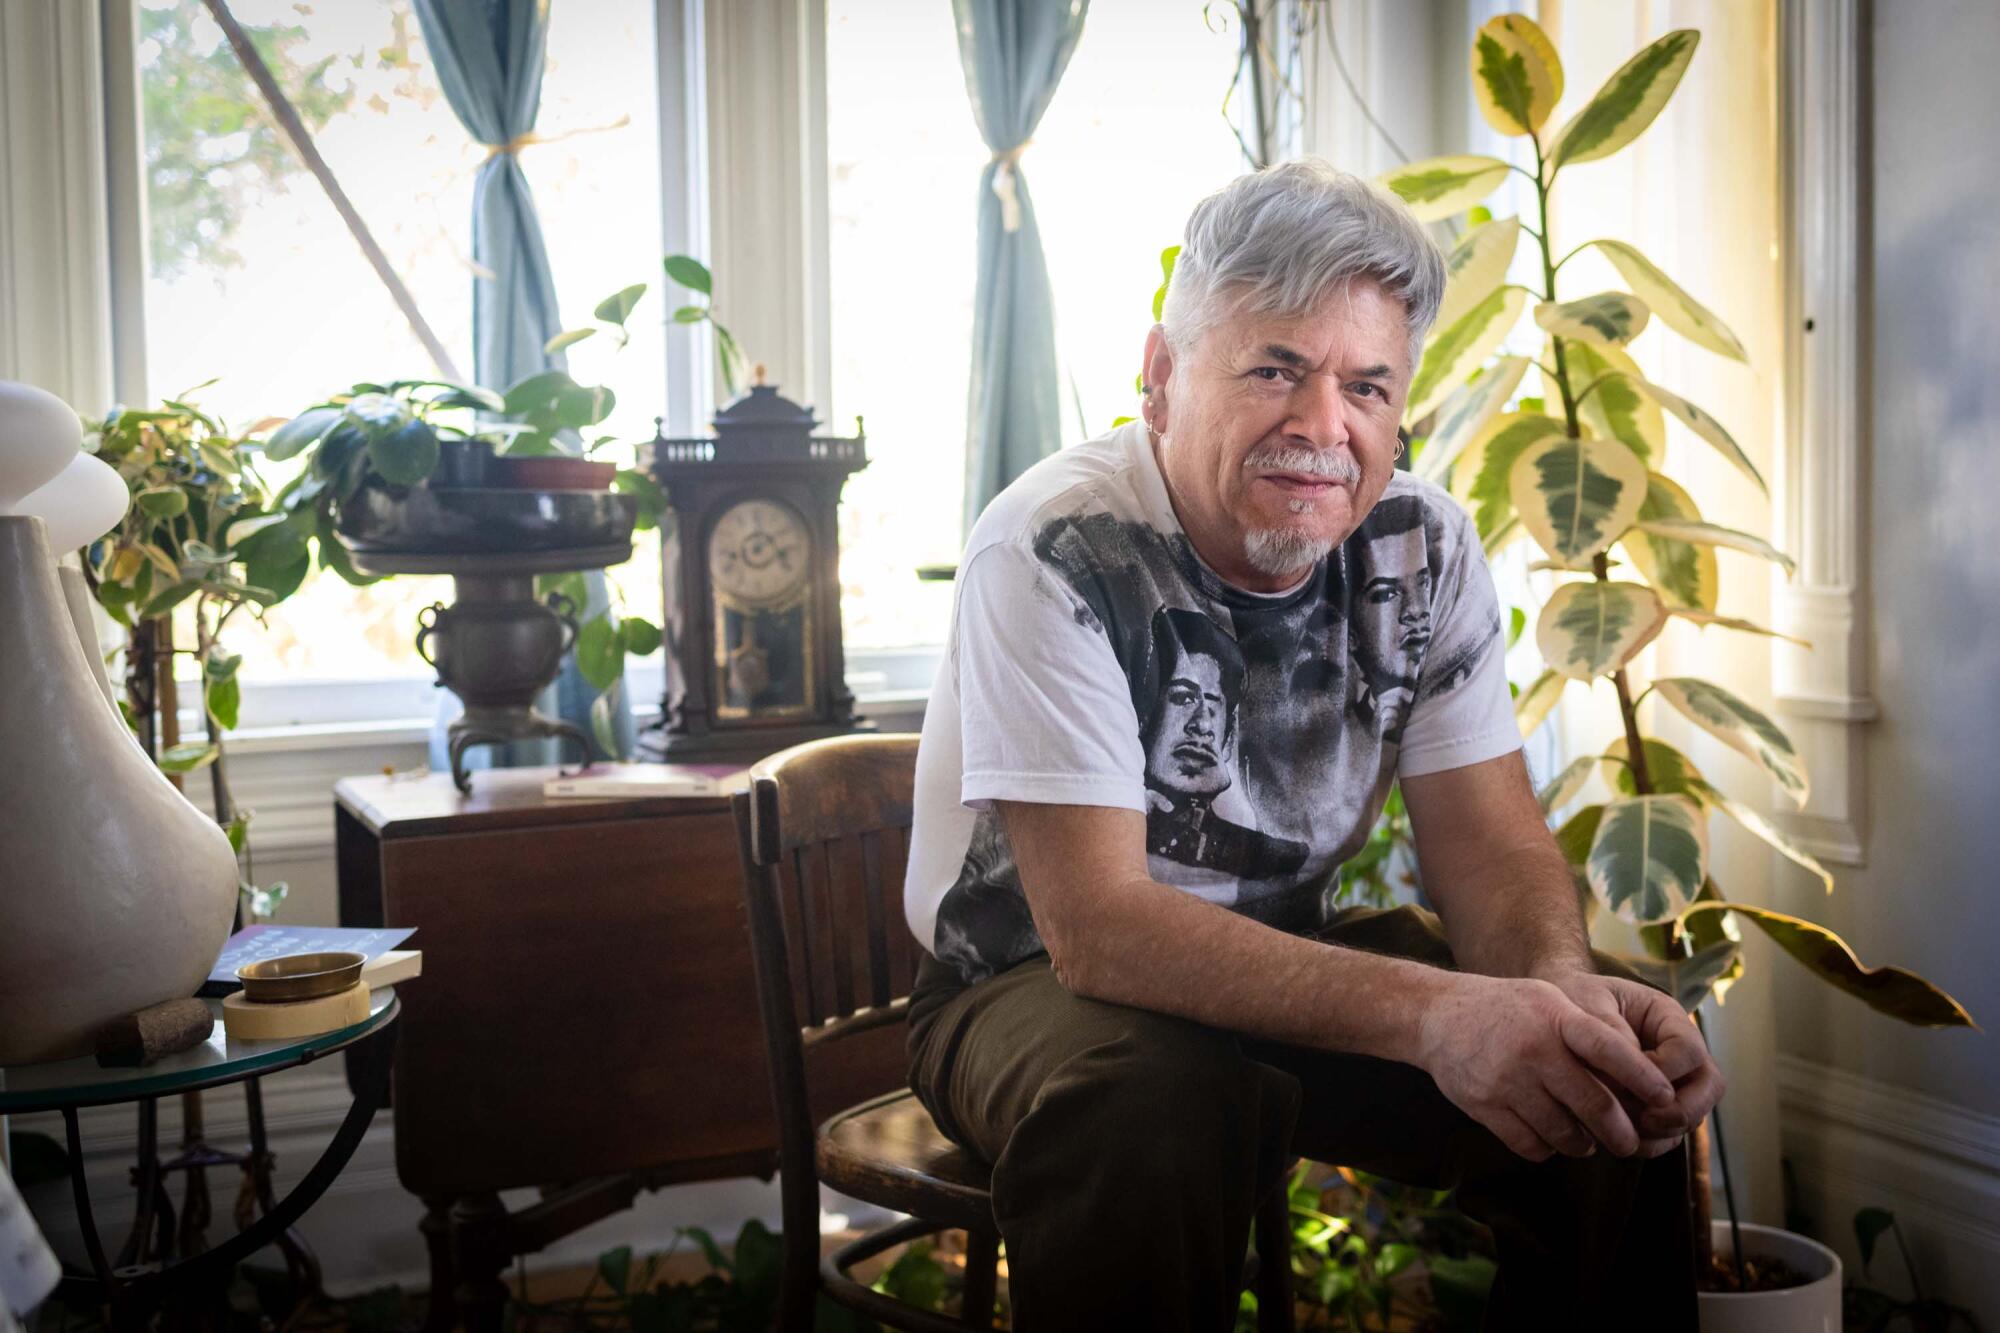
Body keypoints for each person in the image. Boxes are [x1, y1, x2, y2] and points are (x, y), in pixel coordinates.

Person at [902, 159, 1723, 1331]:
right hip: (1019, 981)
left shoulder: (1422, 548)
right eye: (1275, 369)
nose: (1322, 428)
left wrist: (1551, 990)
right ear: (1161, 377)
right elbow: (1097, 931)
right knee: (1148, 1100)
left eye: (1366, 387)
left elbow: (1488, 845)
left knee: (1601, 1057)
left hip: (1276, 955)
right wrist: (1438, 1017)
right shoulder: (1052, 544)